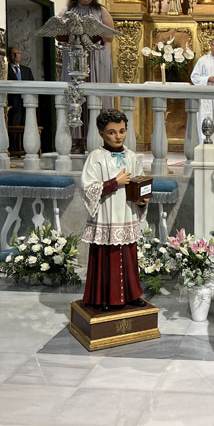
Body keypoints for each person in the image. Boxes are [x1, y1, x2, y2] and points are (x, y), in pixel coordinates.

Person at [80, 109, 149, 311]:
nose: (118, 136)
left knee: (128, 256)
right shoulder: (96, 157)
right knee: (105, 256)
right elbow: (88, 188)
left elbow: (140, 182)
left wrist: (142, 199)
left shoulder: (132, 157)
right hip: (106, 215)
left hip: (126, 212)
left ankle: (132, 294)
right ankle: (103, 298)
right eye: (112, 132)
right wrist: (114, 182)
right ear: (101, 133)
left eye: (122, 131)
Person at [61, 0, 115, 147]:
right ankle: (77, 141)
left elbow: (110, 36)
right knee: (76, 97)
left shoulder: (100, 10)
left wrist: (91, 35)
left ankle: (103, 139)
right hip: (75, 58)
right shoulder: (67, 10)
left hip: (97, 58)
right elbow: (59, 31)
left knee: (97, 96)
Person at [191, 37, 214, 129]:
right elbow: (194, 77)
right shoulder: (202, 60)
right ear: (211, 46)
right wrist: (207, 79)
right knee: (205, 119)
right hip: (205, 96)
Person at [6, 46, 34, 153]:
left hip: (25, 102)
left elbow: (32, 85)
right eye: (13, 53)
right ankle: (13, 148)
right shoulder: (6, 70)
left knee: (26, 125)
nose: (16, 55)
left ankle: (24, 147)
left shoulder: (26, 70)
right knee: (14, 125)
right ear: (9, 56)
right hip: (13, 103)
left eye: (17, 53)